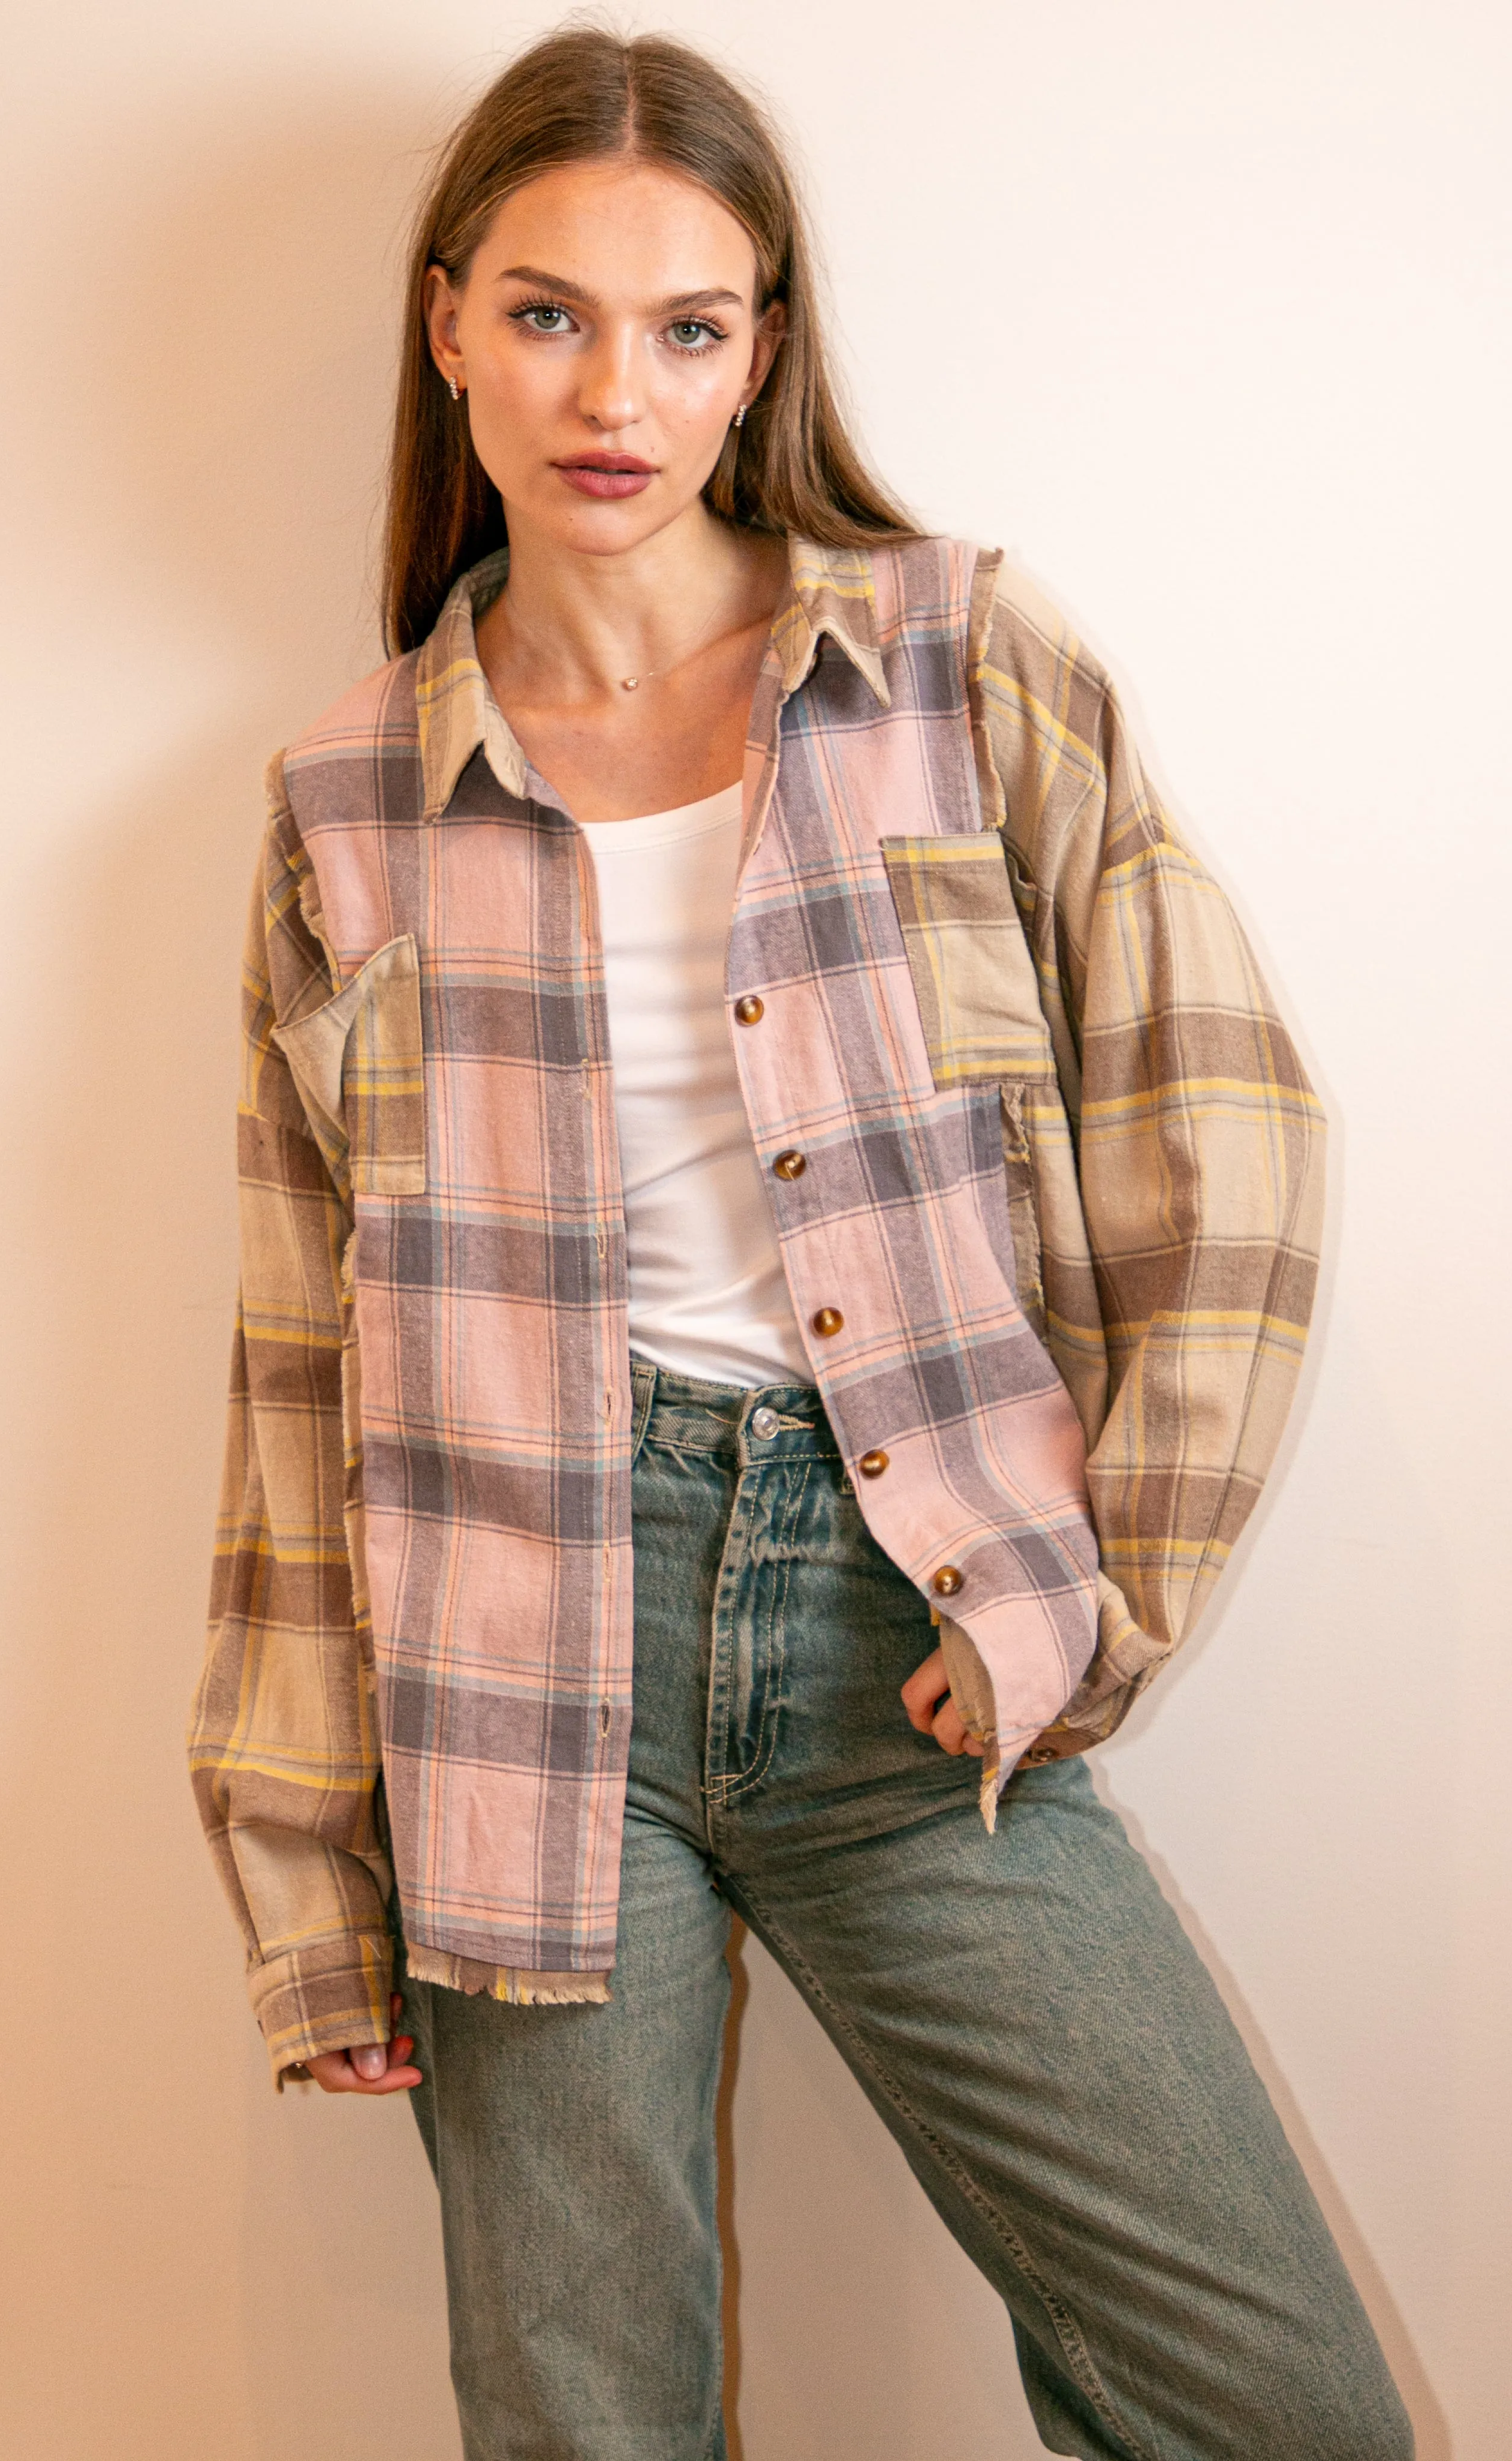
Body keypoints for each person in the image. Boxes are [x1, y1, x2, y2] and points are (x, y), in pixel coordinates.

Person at [188, 26, 1414, 2460]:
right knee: (587, 2425)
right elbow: (293, 1368)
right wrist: (307, 1862)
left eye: (685, 324)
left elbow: (1231, 1129)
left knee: (1273, 2406)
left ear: (763, 350)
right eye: (545, 314)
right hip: (519, 1681)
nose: (610, 390)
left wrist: (1097, 1588)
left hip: (904, 1640)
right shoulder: (350, 797)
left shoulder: (956, 662)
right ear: (448, 327)